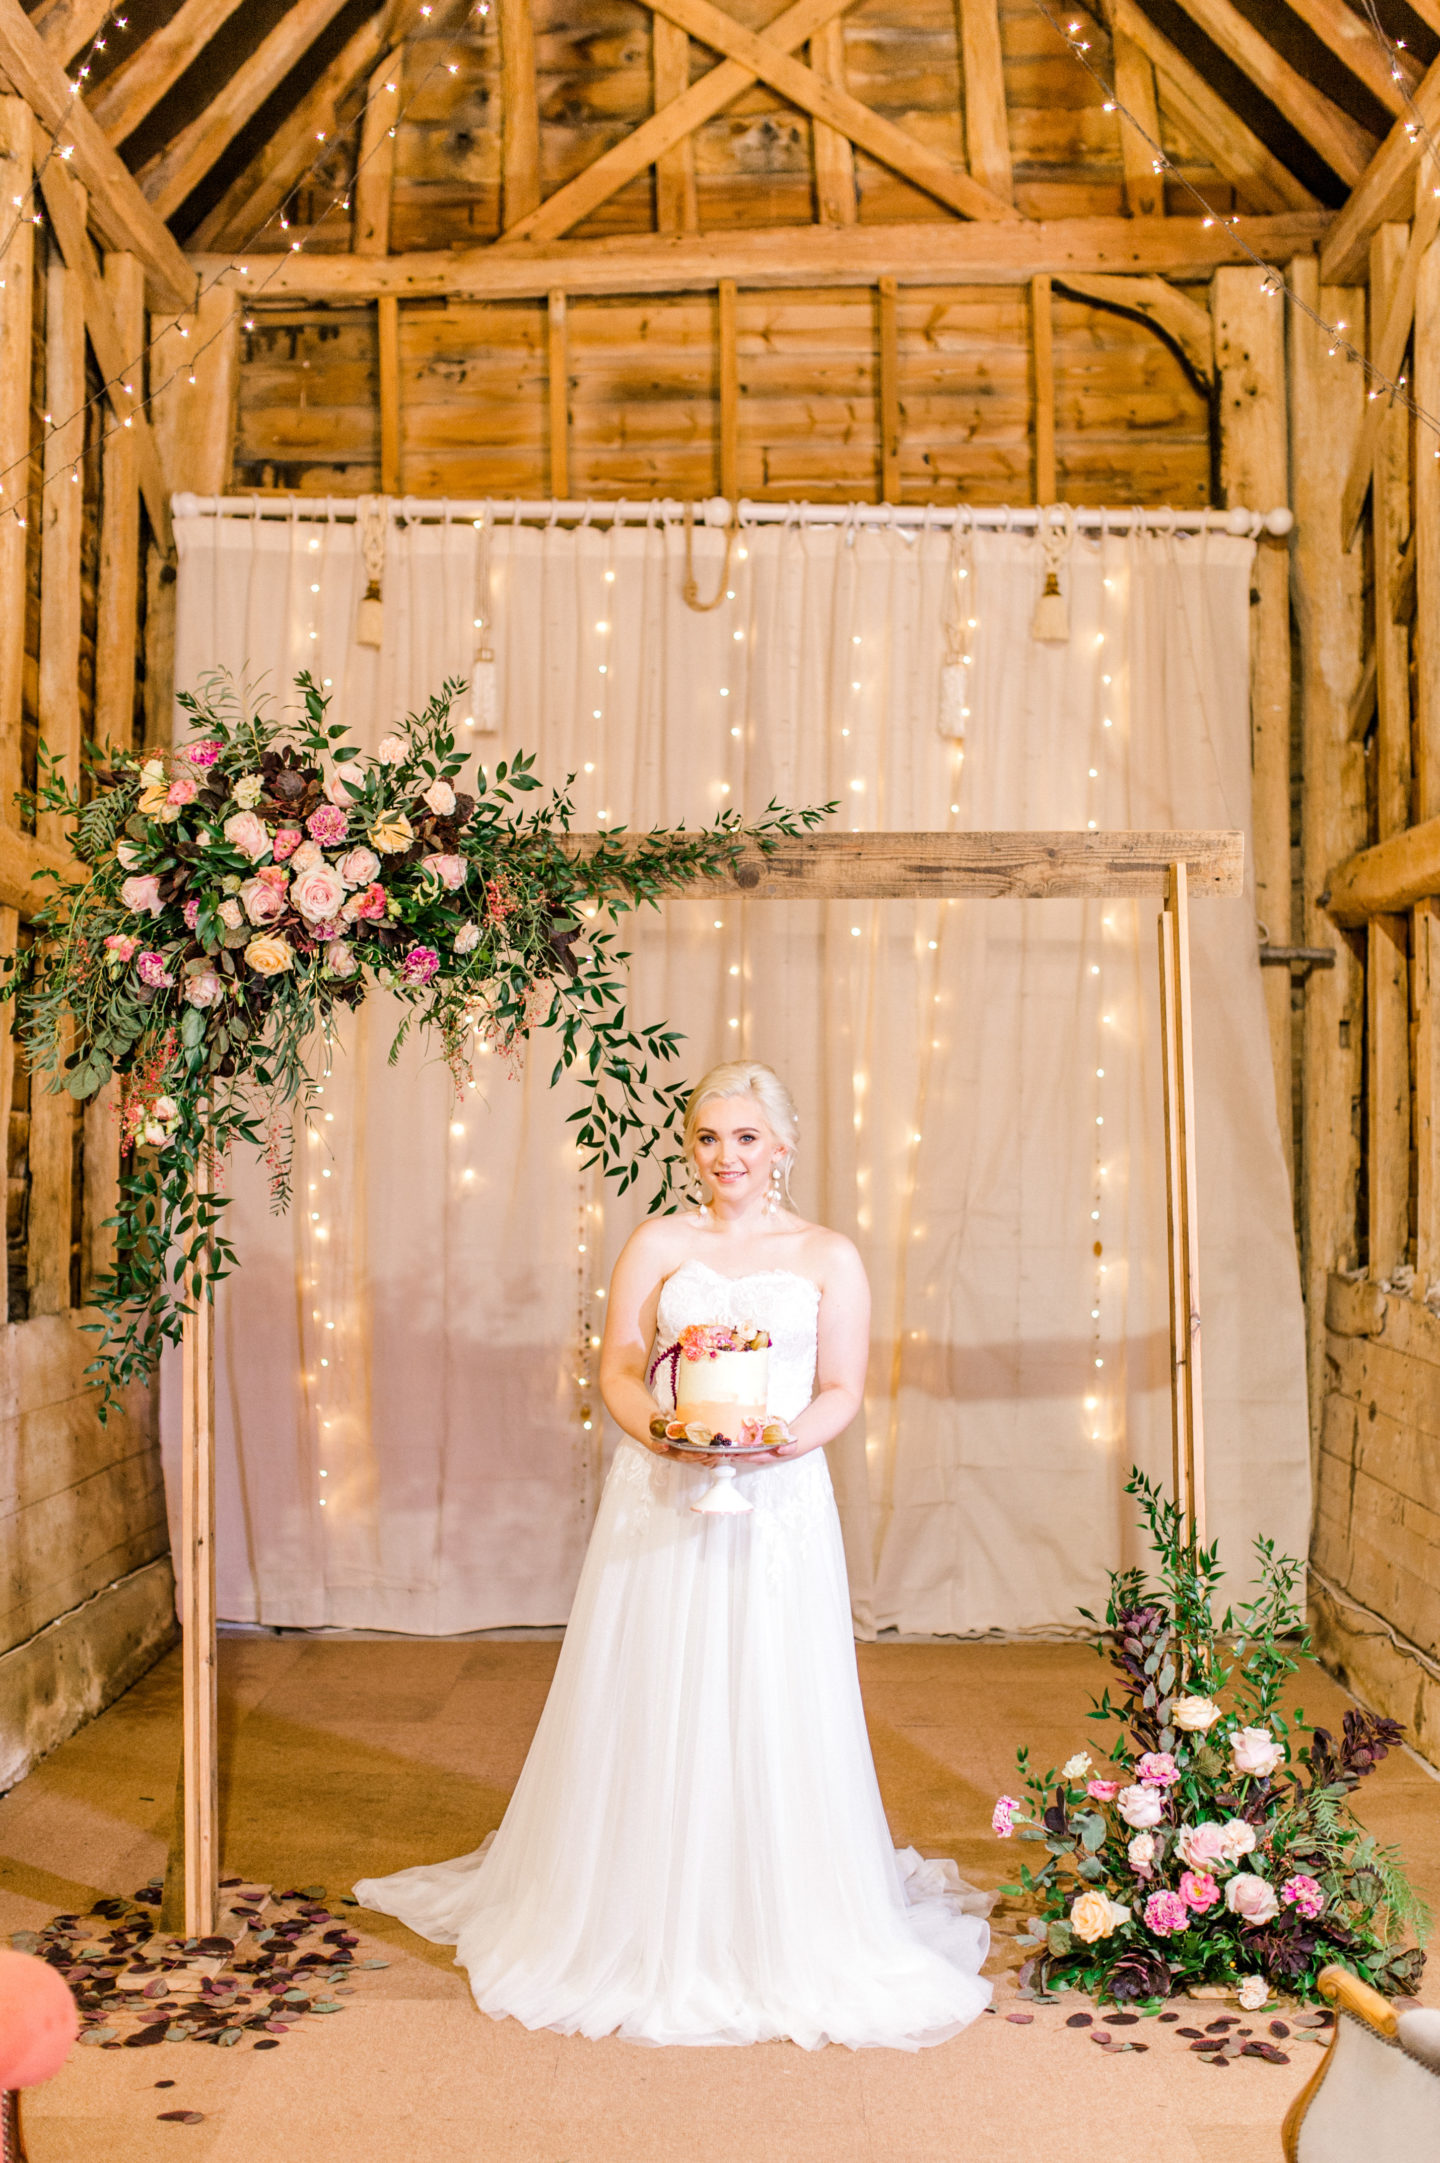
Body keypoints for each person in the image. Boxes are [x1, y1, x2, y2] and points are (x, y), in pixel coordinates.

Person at [354, 1059, 992, 2049]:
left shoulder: (828, 1255)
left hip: (777, 1497)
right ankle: (632, 1903)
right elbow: (614, 1363)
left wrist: (779, 1439)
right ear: (688, 1146)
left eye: (745, 1138)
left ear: (781, 1145)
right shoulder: (659, 1241)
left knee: (772, 1686)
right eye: (707, 1137)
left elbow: (841, 1387)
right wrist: (660, 1431)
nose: (725, 1157)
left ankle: (778, 1906)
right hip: (662, 1488)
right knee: (655, 1682)